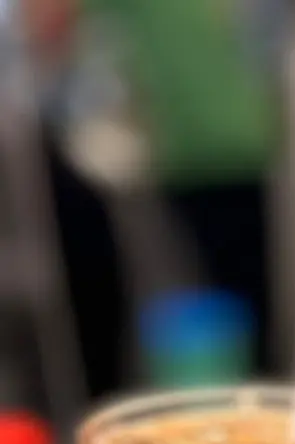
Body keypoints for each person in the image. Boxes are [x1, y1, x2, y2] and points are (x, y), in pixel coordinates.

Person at [22, 0, 279, 397]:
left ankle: (247, 404)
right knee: (239, 311)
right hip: (224, 138)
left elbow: (48, 22)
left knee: (233, 312)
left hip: (206, 146)